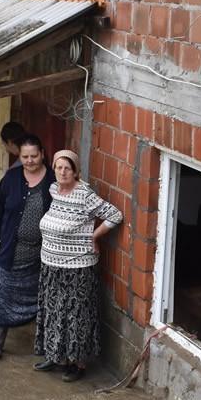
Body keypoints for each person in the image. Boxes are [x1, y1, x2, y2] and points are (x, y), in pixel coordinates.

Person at [34, 150, 123, 382]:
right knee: (54, 313)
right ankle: (57, 356)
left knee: (76, 316)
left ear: (75, 171)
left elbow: (115, 215)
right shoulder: (54, 190)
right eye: (59, 167)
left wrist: (95, 237)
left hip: (77, 267)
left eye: (67, 168)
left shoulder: (84, 194)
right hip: (51, 265)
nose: (62, 172)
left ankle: (78, 364)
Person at [0, 134, 54, 360]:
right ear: (19, 156)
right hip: (11, 250)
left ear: (42, 154)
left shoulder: (53, 180)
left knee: (43, 297)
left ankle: (44, 344)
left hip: (43, 254)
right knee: (2, 295)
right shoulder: (11, 178)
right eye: (25, 156)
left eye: (34, 156)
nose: (30, 160)